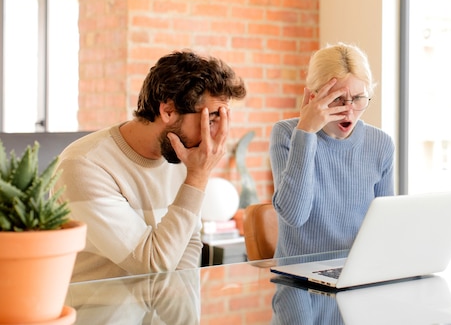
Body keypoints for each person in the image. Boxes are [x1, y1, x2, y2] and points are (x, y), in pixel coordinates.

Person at [54, 50, 247, 282]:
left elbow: (189, 243)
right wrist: (197, 176)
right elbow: (152, 264)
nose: (217, 136)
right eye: (212, 118)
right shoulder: (84, 166)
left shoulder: (182, 154)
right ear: (168, 111)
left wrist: (180, 316)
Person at [269, 42, 394, 258]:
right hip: (300, 280)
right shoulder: (287, 134)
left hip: (357, 274)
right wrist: (306, 132)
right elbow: (294, 215)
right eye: (337, 99)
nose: (349, 111)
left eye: (357, 99)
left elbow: (386, 226)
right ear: (314, 97)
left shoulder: (381, 144)